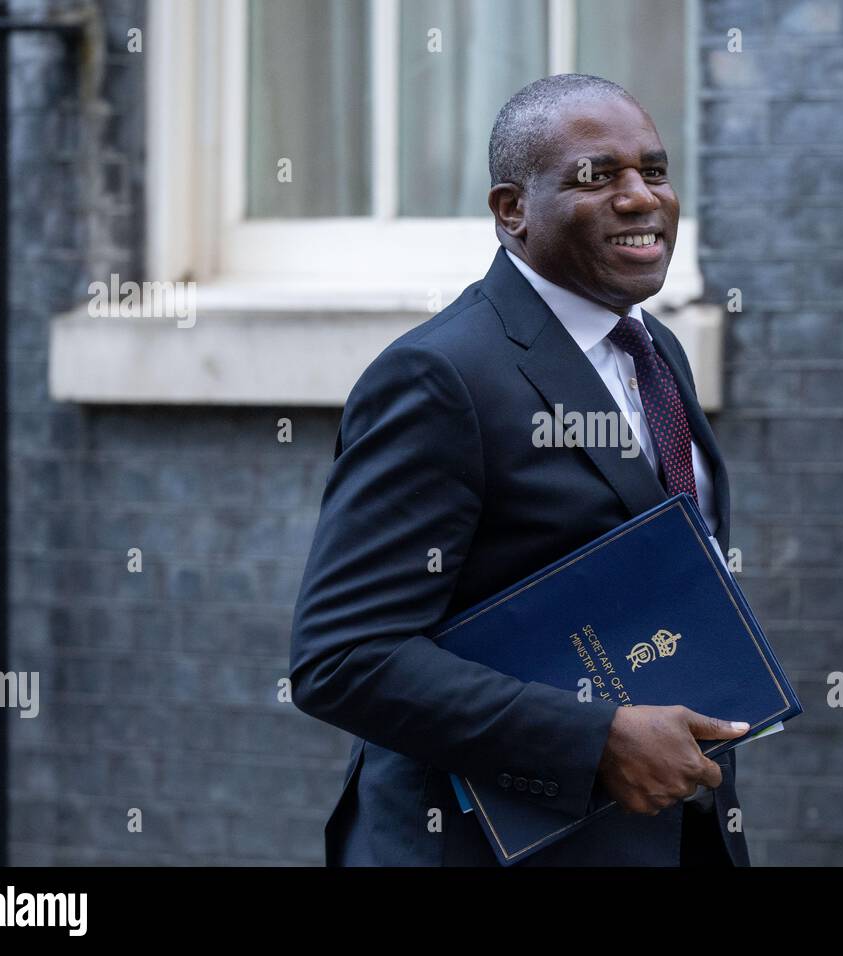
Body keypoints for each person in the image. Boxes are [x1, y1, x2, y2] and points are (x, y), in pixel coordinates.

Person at [290, 74, 749, 866]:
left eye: (655, 171)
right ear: (512, 211)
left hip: (669, 832)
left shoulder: (652, 350)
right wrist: (595, 738)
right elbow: (342, 658)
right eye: (597, 176)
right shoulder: (442, 377)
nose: (642, 198)